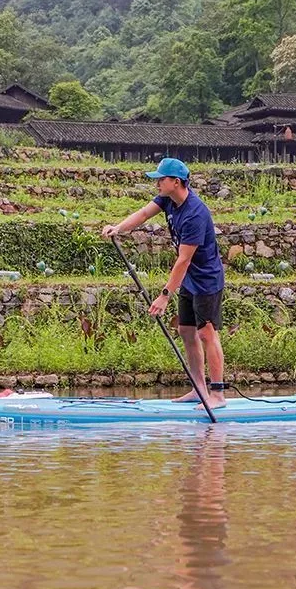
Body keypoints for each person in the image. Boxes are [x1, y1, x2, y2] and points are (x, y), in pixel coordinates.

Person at [101, 158, 227, 407]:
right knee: (186, 331)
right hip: (189, 279)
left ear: (176, 182)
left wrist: (165, 295)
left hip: (206, 280)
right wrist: (119, 228)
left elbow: (183, 260)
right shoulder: (168, 200)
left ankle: (218, 394)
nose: (157, 183)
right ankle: (198, 389)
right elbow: (144, 213)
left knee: (206, 333)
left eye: (161, 179)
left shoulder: (195, 213)